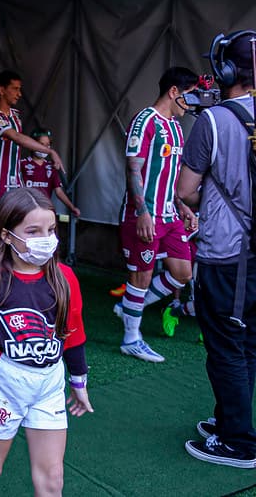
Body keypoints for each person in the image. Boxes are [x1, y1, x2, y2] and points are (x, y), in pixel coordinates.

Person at [0, 188, 92, 497]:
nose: (46, 239)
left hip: (50, 382)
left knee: (52, 478)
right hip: (6, 382)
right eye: (34, 231)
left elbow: (74, 335)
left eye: (51, 230)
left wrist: (79, 382)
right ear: (7, 235)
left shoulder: (65, 277)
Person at [177, 30, 256, 468]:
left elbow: (187, 191)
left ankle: (239, 442)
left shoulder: (212, 121)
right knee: (248, 345)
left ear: (227, 70)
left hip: (226, 252)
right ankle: (231, 421)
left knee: (226, 345)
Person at [114, 67, 199, 362]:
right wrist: (142, 212)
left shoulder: (176, 126)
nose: (192, 104)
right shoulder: (144, 120)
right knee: (141, 276)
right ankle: (131, 338)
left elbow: (171, 175)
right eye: (189, 97)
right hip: (144, 215)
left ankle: (129, 306)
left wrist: (183, 206)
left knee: (182, 273)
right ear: (174, 92)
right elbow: (133, 168)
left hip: (170, 215)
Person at [0, 71, 64, 267]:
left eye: (20, 89)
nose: (19, 94)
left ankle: (4, 270)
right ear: (1, 90)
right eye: (15, 89)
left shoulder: (16, 115)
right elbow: (17, 138)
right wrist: (50, 151)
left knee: (14, 227)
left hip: (14, 182)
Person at [20, 128, 80, 217]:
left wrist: (72, 207)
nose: (44, 148)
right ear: (32, 144)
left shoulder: (51, 167)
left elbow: (59, 192)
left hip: (45, 211)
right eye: (41, 144)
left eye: (48, 145)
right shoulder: (22, 164)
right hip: (26, 211)